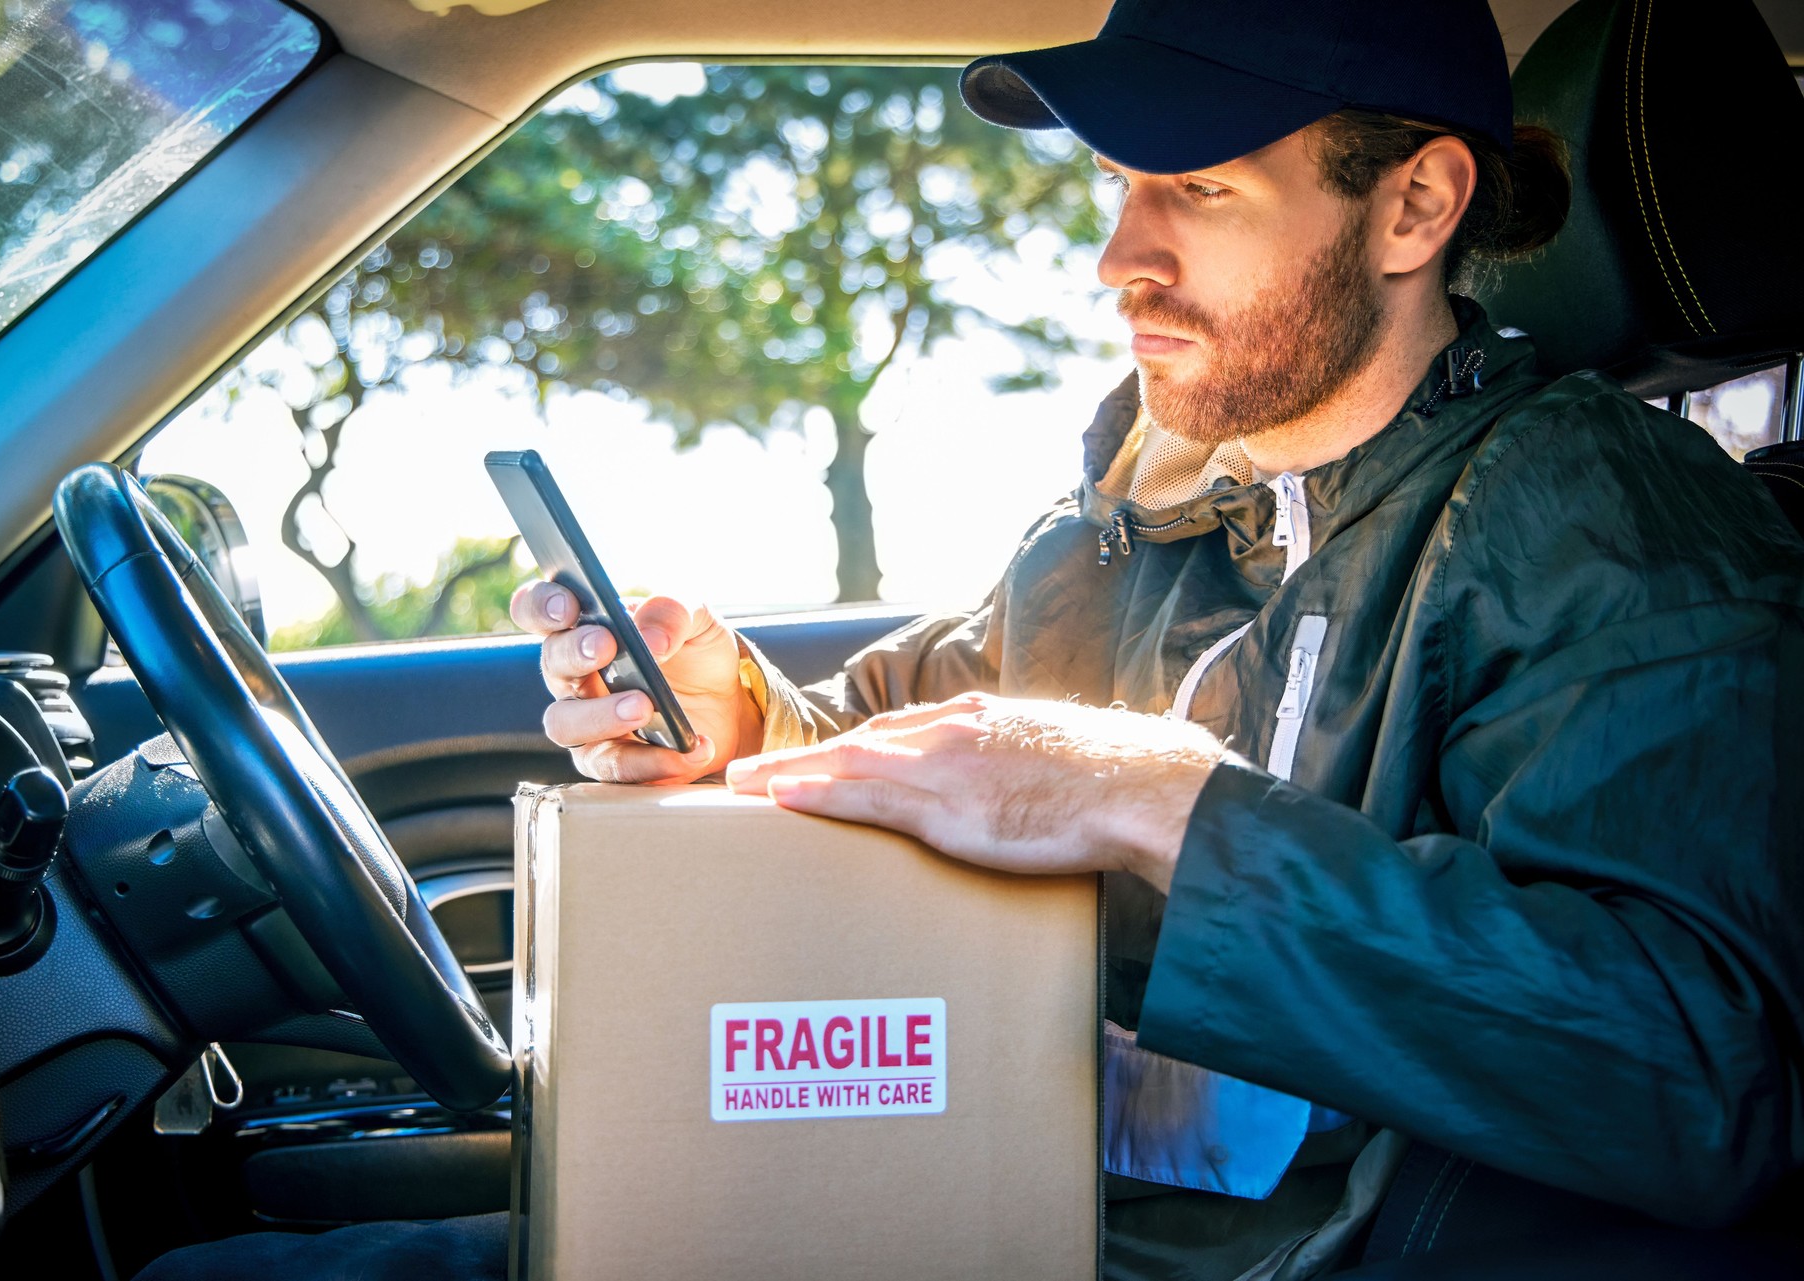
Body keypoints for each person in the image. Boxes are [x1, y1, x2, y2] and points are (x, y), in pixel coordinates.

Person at [139, 0, 1803, 1276]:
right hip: (1024, 1195)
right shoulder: (1144, 511)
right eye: (1116, 187)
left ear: (1416, 204)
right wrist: (743, 721)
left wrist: (1166, 798)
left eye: (1197, 191)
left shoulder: (1603, 528)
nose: (1117, 259)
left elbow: (1702, 1071)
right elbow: (935, 742)